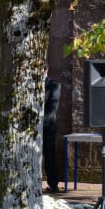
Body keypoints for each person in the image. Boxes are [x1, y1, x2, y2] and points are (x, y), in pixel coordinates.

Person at [43, 64, 61, 193]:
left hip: (47, 124)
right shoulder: (28, 84)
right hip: (31, 126)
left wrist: (40, 121)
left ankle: (53, 184)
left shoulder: (54, 84)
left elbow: (52, 108)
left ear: (46, 70)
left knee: (49, 154)